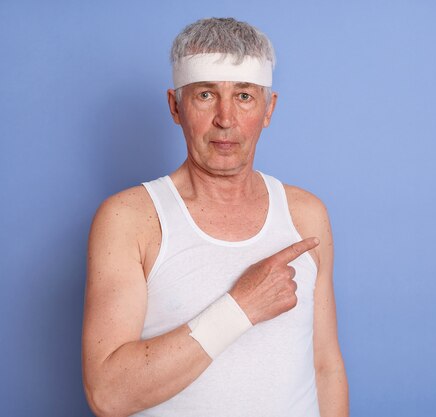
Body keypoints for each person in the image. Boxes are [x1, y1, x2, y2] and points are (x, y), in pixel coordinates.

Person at [81, 17, 349, 417]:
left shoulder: (305, 215)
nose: (226, 118)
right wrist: (240, 308)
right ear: (175, 106)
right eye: (206, 95)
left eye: (244, 96)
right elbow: (108, 395)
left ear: (269, 108)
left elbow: (326, 368)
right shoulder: (131, 219)